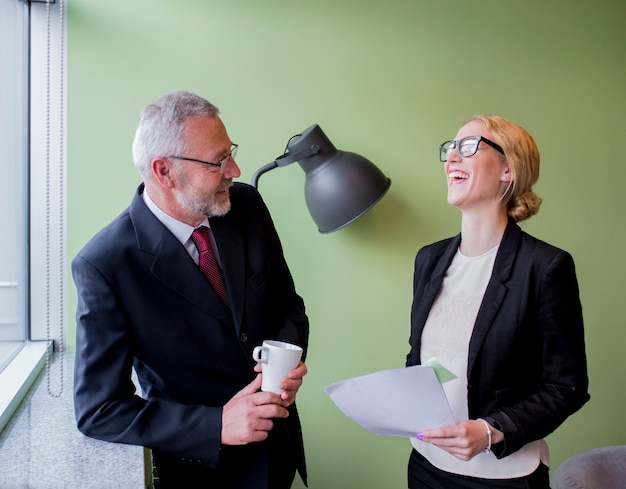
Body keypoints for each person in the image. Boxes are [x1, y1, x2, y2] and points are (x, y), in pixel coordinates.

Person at [72, 90, 309, 489]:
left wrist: (285, 361)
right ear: (164, 172)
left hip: (277, 451)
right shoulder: (105, 264)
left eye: (230, 151)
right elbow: (99, 410)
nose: (235, 169)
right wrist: (216, 425)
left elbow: (288, 305)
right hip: (198, 472)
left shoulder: (247, 205)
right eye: (218, 161)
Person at [406, 115, 589, 488]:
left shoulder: (545, 267)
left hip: (503, 477)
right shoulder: (428, 259)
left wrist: (491, 430)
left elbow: (566, 387)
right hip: (425, 467)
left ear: (508, 169)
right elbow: (424, 359)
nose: (452, 157)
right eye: (450, 148)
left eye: (469, 146)